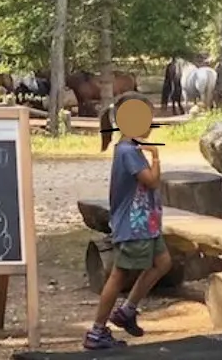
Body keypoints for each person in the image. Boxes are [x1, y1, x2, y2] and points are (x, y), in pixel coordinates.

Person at [85, 96, 173, 350]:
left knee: (163, 262)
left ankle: (127, 311)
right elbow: (152, 181)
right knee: (119, 275)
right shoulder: (128, 151)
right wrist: (156, 155)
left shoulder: (129, 148)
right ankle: (96, 331)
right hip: (134, 226)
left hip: (147, 224)